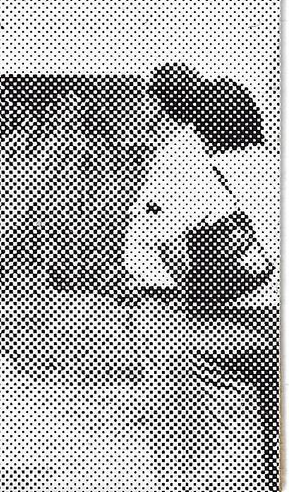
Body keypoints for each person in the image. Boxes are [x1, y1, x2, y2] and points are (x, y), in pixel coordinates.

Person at [127, 66, 282, 492]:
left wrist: (185, 282)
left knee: (183, 427)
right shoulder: (267, 166)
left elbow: (170, 242)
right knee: (269, 425)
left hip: (193, 312)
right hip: (267, 307)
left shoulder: (182, 158)